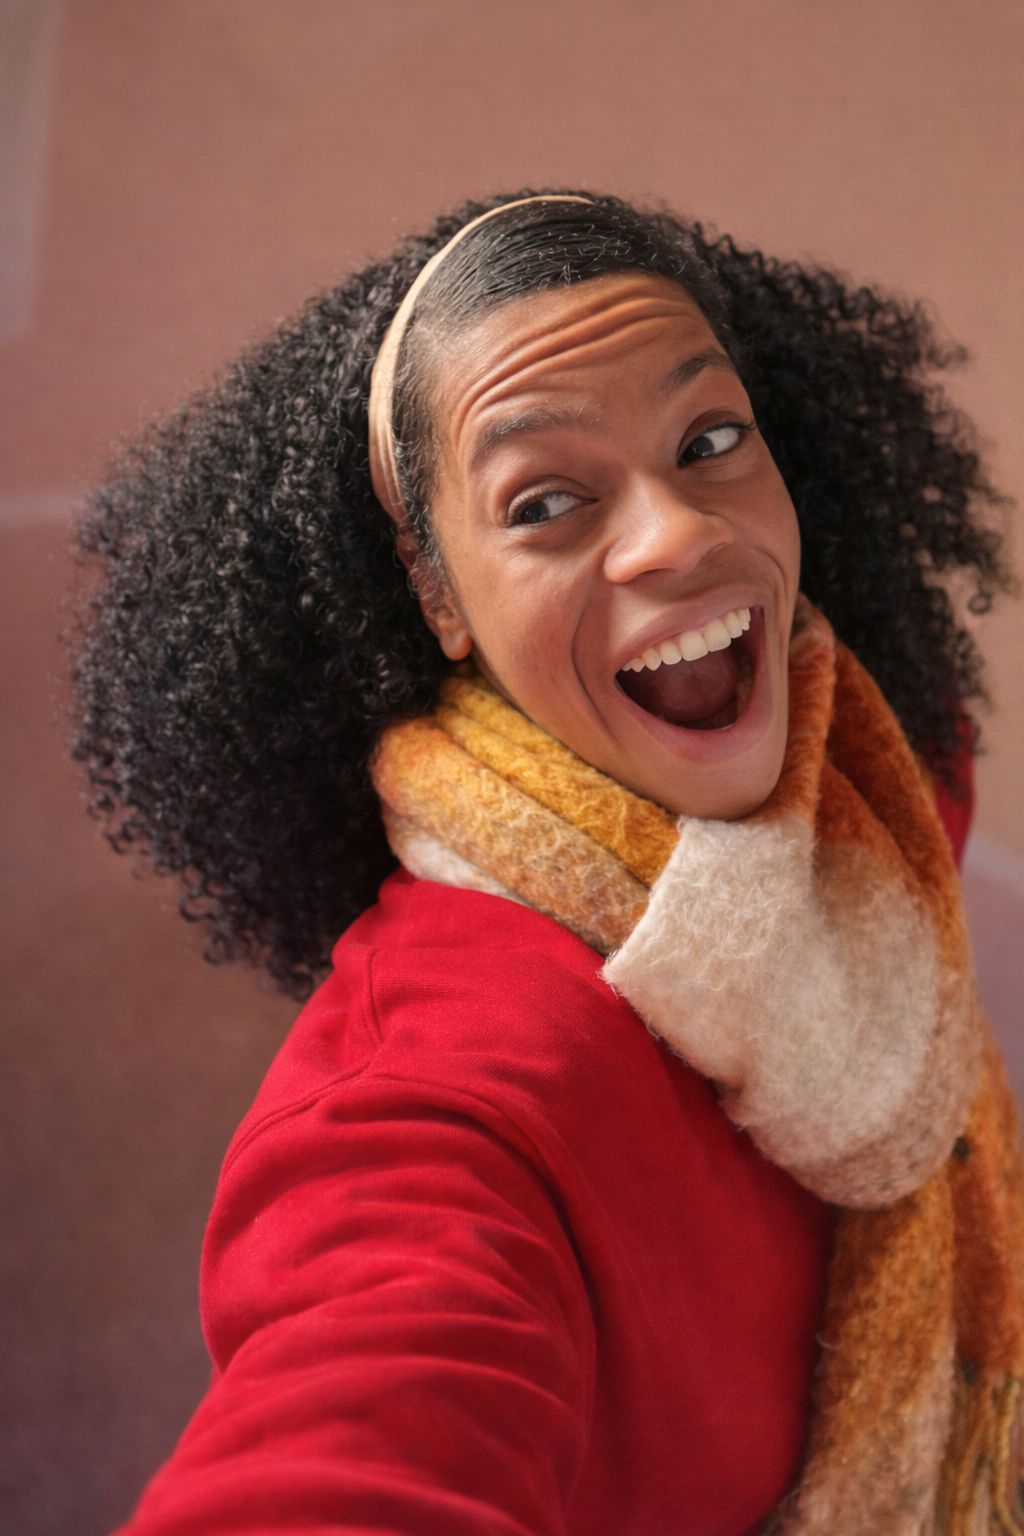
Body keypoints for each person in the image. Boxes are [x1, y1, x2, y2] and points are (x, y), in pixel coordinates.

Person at [73, 192, 1022, 1536]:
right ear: (435, 594)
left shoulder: (886, 786)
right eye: (549, 501)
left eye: (709, 441)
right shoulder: (432, 1101)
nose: (678, 536)